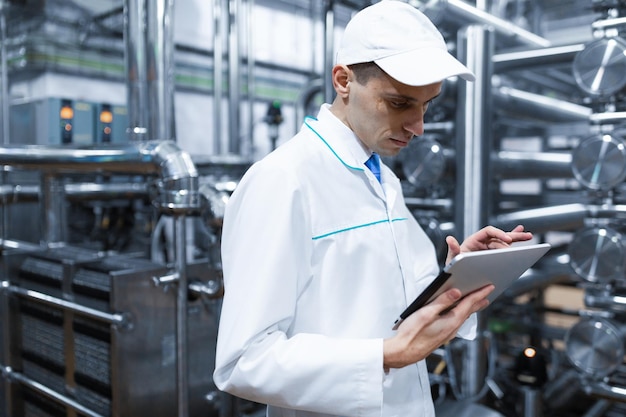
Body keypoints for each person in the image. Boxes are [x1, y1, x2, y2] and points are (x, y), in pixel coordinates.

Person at [213, 1, 532, 416]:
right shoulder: (284, 180)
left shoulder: (382, 177)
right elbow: (244, 362)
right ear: (344, 80)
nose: (418, 126)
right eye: (400, 104)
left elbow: (397, 307)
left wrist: (459, 271)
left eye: (427, 104)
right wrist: (383, 356)